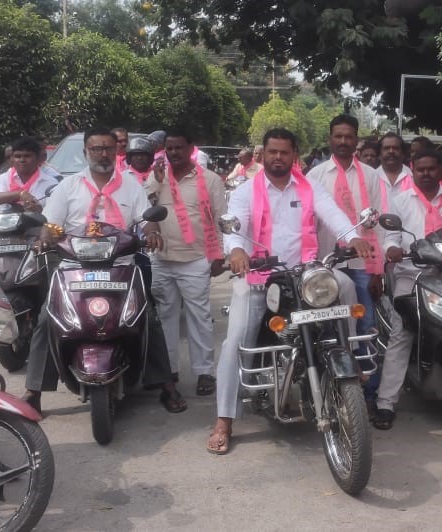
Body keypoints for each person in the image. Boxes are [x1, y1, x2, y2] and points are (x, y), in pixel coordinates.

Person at [208, 127, 372, 455]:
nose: (278, 158)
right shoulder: (245, 190)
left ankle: (348, 360)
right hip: (258, 276)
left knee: (346, 286)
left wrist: (351, 237)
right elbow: (234, 224)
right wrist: (236, 250)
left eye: (284, 152)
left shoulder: (310, 187)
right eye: (272, 152)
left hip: (306, 276)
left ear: (294, 154)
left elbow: (335, 217)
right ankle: (224, 418)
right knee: (235, 340)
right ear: (263, 155)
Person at [20, 126, 188, 414]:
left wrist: (151, 231)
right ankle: (33, 390)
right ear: (86, 152)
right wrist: (43, 238)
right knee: (49, 318)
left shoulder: (131, 186)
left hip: (121, 265)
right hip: (74, 267)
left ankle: (164, 385)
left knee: (147, 316)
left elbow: (145, 219)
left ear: (116, 151)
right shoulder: (67, 186)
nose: (103, 154)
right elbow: (50, 223)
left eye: (109, 148)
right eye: (96, 148)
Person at [372, 149, 442, 429]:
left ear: (441, 171)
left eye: (431, 169)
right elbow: (390, 236)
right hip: (410, 276)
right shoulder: (401, 201)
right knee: (403, 334)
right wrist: (392, 250)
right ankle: (385, 403)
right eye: (421, 169)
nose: (426, 174)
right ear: (412, 170)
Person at [145, 130, 226, 396]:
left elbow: (220, 218)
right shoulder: (156, 176)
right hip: (162, 259)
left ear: (191, 147)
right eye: (169, 148)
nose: (173, 153)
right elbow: (147, 211)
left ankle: (205, 372)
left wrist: (218, 255)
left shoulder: (211, 180)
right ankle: (169, 371)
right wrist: (156, 183)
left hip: (195, 259)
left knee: (199, 317)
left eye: (179, 147)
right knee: (165, 316)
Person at [307, 115, 386, 344]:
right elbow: (308, 224)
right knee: (328, 322)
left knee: (365, 319)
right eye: (338, 136)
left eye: (348, 137)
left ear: (356, 140)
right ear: (330, 139)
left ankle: (367, 376)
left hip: (362, 262)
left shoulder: (371, 176)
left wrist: (377, 271)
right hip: (327, 261)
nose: (343, 141)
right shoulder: (315, 176)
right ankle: (332, 374)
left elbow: (377, 220)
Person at [0, 136, 60, 212]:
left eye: (27, 156)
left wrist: (39, 210)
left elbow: (55, 212)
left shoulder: (51, 182)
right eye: (17, 156)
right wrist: (20, 194)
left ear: (38, 158)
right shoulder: (3, 178)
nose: (22, 160)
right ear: (12, 159)